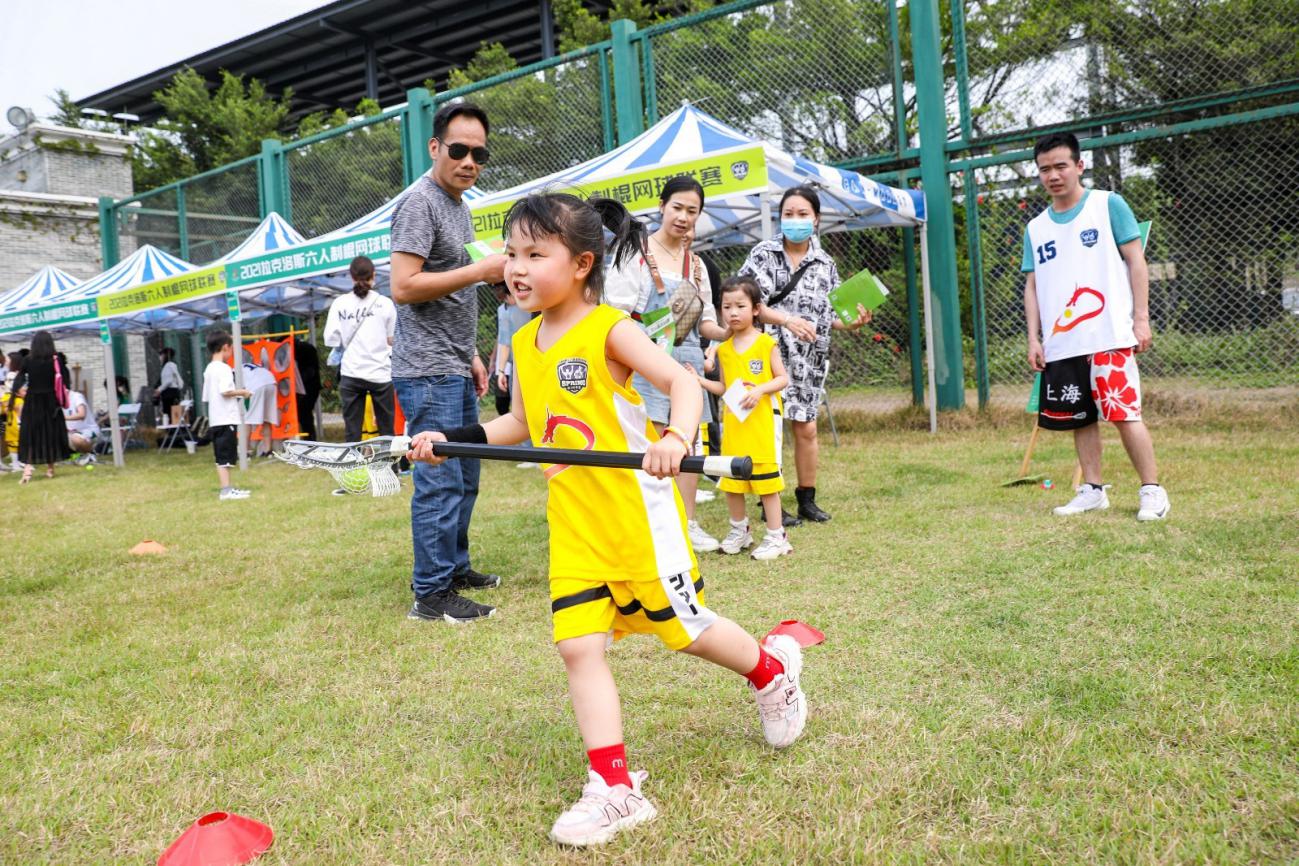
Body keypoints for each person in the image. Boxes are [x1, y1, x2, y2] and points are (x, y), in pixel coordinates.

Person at [406, 192, 809, 848]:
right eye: (511, 253)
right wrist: (449, 439)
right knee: (577, 646)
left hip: (634, 517)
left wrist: (676, 439)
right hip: (574, 521)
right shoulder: (526, 339)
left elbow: (682, 384)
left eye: (535, 254)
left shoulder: (610, 328)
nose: (515, 267)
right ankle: (615, 788)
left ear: (581, 264)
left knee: (687, 631)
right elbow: (522, 423)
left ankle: (770, 672)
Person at [389, 101, 505, 622]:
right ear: (435, 147)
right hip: (426, 369)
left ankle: (454, 568)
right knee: (439, 478)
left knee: (464, 475)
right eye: (458, 150)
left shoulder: (458, 205)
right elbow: (404, 286)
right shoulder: (419, 203)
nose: (469, 161)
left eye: (480, 154)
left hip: (454, 364)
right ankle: (431, 594)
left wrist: (473, 355)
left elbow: (453, 289)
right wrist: (480, 271)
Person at [1022, 131, 1171, 521]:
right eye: (1045, 169)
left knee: (1124, 414)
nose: (1053, 175)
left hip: (1109, 337)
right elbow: (1033, 285)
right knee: (1080, 417)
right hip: (1062, 344)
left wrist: (1141, 319)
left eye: (1061, 166)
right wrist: (1034, 338)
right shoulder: (1036, 228)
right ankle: (1092, 490)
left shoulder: (1108, 205)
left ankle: (1152, 490)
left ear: (1079, 166)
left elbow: (1136, 262)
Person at [605, 176, 731, 553]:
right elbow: (616, 313)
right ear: (661, 206)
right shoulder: (634, 251)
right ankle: (652, 525)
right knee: (652, 442)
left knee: (687, 442)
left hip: (688, 363)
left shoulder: (698, 265)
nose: (683, 217)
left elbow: (705, 322)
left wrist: (729, 331)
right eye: (677, 207)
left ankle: (686, 523)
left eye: (692, 211)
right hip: (646, 360)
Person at [739, 186, 872, 525]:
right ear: (779, 217)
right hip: (768, 353)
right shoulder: (763, 254)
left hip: (809, 359)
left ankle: (807, 500)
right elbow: (745, 303)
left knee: (807, 428)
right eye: (788, 214)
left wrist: (853, 322)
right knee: (769, 429)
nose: (795, 220)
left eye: (802, 214)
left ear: (815, 220)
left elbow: (831, 316)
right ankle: (770, 502)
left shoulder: (826, 263)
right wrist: (787, 320)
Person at [692, 276, 791, 560]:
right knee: (731, 478)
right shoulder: (723, 349)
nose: (733, 313)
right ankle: (740, 531)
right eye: (726, 307)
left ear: (756, 309)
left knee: (767, 481)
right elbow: (724, 387)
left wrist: (759, 390)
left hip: (763, 424)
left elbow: (782, 378)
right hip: (735, 424)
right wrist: (699, 380)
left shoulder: (766, 343)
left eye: (740, 306)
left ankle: (777, 537)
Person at [324, 256, 398, 442]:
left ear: (351, 276)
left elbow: (330, 339)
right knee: (387, 430)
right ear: (374, 275)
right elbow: (392, 339)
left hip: (351, 373)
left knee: (352, 431)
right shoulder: (385, 303)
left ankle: (353, 461)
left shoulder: (340, 303)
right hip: (381, 373)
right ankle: (389, 461)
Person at [9, 331, 72, 483]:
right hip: (51, 400)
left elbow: (19, 379)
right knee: (50, 432)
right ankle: (50, 468)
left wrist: (19, 391)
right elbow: (66, 380)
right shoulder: (55, 360)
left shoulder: (28, 360)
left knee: (31, 432)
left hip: (32, 400)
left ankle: (27, 468)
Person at [202, 331, 252, 501]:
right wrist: (242, 392)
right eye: (231, 348)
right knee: (226, 457)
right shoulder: (223, 368)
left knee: (221, 456)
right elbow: (225, 391)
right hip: (226, 417)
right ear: (225, 347)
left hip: (216, 418)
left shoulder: (209, 369)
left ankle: (227, 488)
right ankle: (226, 490)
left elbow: (207, 396)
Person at [491, 283, 536, 468]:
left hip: (535, 360)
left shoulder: (532, 307)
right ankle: (529, 454)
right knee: (520, 410)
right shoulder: (503, 310)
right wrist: (500, 370)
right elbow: (504, 341)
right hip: (517, 364)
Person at [241, 359, 279, 457]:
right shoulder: (251, 366)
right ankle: (268, 451)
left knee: (246, 420)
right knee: (266, 419)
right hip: (271, 383)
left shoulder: (234, 371)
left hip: (256, 386)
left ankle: (245, 452)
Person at [293, 336, 321, 440]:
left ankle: (310, 439)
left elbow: (310, 372)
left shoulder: (305, 350)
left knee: (304, 413)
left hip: (309, 387)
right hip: (308, 386)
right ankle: (309, 438)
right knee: (304, 413)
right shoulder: (305, 348)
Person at [64, 388, 99, 465]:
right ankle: (76, 456)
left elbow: (82, 414)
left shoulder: (76, 396)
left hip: (88, 431)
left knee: (76, 439)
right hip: (71, 433)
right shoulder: (57, 400)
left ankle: (90, 452)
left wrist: (63, 418)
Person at [153, 347, 185, 426]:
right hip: (172, 393)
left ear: (165, 355)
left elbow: (168, 381)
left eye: (161, 355)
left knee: (169, 414)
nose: (160, 357)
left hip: (169, 393)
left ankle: (171, 430)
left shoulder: (168, 365)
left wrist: (159, 389)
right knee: (173, 414)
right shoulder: (171, 365)